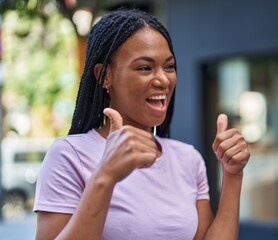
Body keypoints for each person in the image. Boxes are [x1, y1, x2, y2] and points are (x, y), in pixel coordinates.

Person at [33, 8, 250, 240]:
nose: (163, 79)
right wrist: (105, 176)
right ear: (105, 75)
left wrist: (233, 174)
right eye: (145, 68)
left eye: (169, 66)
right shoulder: (69, 155)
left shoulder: (188, 159)